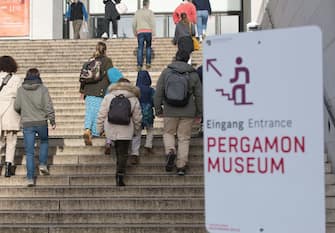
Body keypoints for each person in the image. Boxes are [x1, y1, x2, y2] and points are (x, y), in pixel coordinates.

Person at [154, 50, 202, 176]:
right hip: (188, 110)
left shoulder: (166, 72)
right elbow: (199, 95)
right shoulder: (193, 74)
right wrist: (199, 113)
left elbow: (158, 92)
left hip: (170, 109)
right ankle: (181, 166)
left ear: (175, 58)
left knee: (168, 132)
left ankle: (170, 151)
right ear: (187, 59)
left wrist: (158, 109)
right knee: (184, 138)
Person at [14, 68, 56, 187]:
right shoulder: (43, 89)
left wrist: (25, 112)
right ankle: (42, 164)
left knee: (29, 152)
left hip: (27, 123)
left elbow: (16, 106)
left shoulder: (21, 90)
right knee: (44, 141)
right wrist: (52, 120)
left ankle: (30, 178)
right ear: (38, 76)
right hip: (41, 121)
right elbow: (48, 106)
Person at [97, 78, 142, 186]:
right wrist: (136, 130)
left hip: (110, 128)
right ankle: (120, 174)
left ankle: (118, 166)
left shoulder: (108, 97)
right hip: (126, 129)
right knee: (123, 153)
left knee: (117, 151)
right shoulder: (134, 98)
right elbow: (138, 117)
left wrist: (99, 129)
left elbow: (101, 114)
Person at [80, 41, 113, 145]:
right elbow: (110, 74)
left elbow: (84, 76)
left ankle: (87, 130)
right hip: (101, 90)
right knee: (98, 112)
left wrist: (82, 90)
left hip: (88, 90)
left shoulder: (90, 61)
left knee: (90, 111)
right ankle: (95, 132)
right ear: (105, 50)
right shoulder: (107, 61)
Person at [0, 56, 22, 177]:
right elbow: (20, 96)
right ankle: (8, 166)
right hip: (11, 110)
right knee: (11, 140)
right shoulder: (17, 79)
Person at [130, 70, 155, 165]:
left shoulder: (134, 90)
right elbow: (154, 100)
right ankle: (148, 145)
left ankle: (135, 153)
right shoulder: (151, 89)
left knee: (137, 132)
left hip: (136, 112)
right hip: (148, 112)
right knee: (150, 130)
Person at [104, 67, 123, 155]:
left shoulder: (109, 88)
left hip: (110, 111)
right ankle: (116, 141)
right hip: (121, 111)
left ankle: (108, 142)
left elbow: (106, 101)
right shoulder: (122, 87)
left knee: (109, 126)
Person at [132, 0, 156, 71]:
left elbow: (133, 23)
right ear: (148, 4)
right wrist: (153, 34)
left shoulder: (137, 12)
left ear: (142, 4)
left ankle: (139, 64)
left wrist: (134, 32)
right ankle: (148, 63)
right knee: (148, 47)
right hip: (148, 31)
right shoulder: (150, 12)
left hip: (140, 31)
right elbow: (153, 23)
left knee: (140, 48)